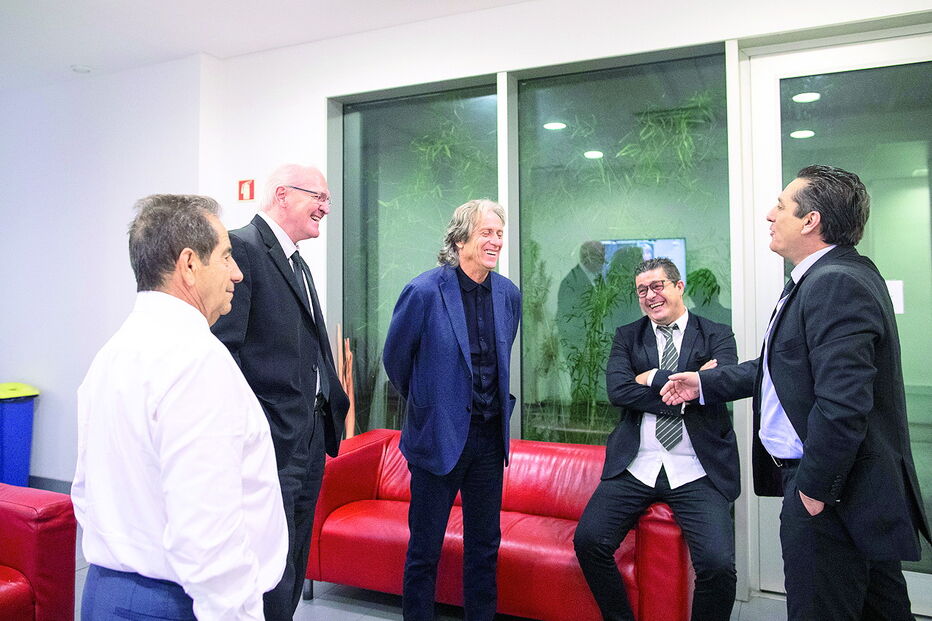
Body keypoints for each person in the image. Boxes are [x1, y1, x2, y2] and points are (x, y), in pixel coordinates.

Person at [661, 165, 931, 620]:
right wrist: (703, 383)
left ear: (811, 221)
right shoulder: (830, 276)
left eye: (782, 206)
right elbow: (782, 370)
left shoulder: (835, 283)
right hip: (852, 492)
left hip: (836, 495)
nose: (770, 214)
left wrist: (813, 492)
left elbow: (843, 404)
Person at [72, 194, 286, 620]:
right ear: (189, 264)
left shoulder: (113, 354)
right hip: (176, 602)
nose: (238, 274)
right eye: (226, 257)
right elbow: (206, 533)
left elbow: (84, 490)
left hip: (106, 593)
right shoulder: (196, 361)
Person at [211, 164, 349, 619]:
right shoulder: (243, 250)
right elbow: (224, 353)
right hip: (271, 438)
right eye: (319, 198)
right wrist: (258, 424)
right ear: (282, 195)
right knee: (271, 566)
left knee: (294, 557)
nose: (326, 208)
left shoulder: (297, 260)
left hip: (307, 435)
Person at [573, 257, 739, 621]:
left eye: (658, 286)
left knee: (718, 565)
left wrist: (650, 377)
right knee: (589, 542)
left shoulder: (716, 333)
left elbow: (724, 382)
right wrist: (689, 384)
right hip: (637, 464)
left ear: (679, 287)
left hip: (697, 468)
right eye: (642, 290)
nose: (650, 296)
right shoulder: (627, 336)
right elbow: (618, 391)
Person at [383, 199, 522, 621]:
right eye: (486, 233)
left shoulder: (508, 295)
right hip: (437, 437)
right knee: (424, 550)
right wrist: (431, 403)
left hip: (487, 440)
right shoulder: (424, 291)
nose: (495, 241)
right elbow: (396, 360)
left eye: (499, 233)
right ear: (461, 239)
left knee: (484, 548)